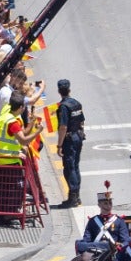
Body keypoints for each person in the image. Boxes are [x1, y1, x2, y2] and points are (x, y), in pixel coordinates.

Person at [54, 79, 85, 208]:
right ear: (69, 89)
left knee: (69, 168)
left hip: (69, 140)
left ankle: (73, 197)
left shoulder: (64, 106)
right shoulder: (76, 103)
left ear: (59, 91)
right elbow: (82, 122)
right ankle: (77, 196)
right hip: (78, 136)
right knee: (76, 166)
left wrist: (59, 145)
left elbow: (63, 127)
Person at [79, 183, 130, 250]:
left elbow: (125, 240)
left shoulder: (119, 221)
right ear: (99, 205)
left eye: (110, 203)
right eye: (105, 203)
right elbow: (86, 240)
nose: (108, 206)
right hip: (96, 251)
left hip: (114, 252)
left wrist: (120, 245)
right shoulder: (92, 221)